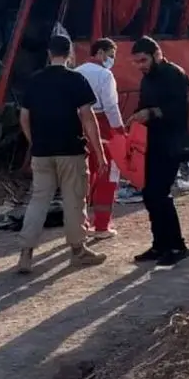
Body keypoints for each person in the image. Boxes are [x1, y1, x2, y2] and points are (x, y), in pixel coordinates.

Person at [16, 34, 107, 274]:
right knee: (74, 200)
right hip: (71, 150)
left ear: (48, 53)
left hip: (42, 153)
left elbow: (24, 117)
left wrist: (34, 143)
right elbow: (88, 117)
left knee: (38, 200)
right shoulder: (76, 80)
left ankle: (26, 255)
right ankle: (78, 251)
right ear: (70, 54)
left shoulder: (34, 81)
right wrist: (100, 152)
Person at [129, 36, 189, 265]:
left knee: (160, 194)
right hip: (150, 143)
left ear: (157, 55)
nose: (140, 66)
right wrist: (137, 117)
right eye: (136, 62)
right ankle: (159, 245)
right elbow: (144, 104)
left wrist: (152, 113)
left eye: (143, 60)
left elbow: (179, 110)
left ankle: (177, 246)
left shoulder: (175, 75)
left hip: (171, 143)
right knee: (149, 194)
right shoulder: (147, 79)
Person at [74, 38, 124, 240]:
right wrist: (119, 132)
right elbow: (111, 107)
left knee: (84, 176)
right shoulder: (105, 75)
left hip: (78, 128)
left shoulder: (76, 72)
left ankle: (81, 224)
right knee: (108, 174)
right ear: (101, 53)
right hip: (102, 128)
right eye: (111, 55)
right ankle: (102, 226)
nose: (112, 60)